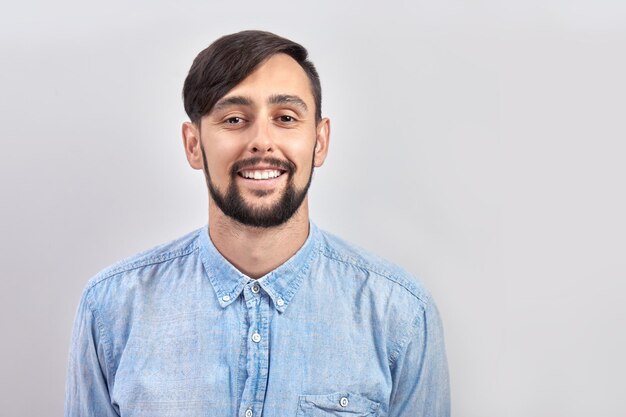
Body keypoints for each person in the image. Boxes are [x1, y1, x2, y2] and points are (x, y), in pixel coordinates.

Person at [64, 30, 450, 417]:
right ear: (194, 145)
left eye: (285, 118)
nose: (262, 141)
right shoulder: (112, 309)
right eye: (234, 119)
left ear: (319, 141)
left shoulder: (399, 314)